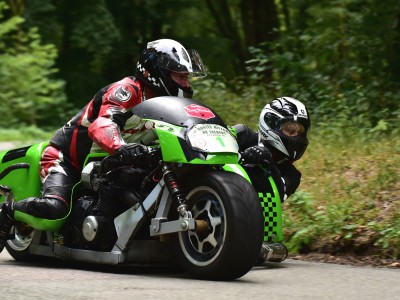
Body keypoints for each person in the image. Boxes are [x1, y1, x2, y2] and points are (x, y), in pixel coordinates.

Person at [0, 38, 207, 252]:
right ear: (156, 72)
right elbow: (103, 123)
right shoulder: (128, 91)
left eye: (186, 77)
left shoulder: (169, 105)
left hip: (108, 162)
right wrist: (120, 147)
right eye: (180, 76)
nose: (186, 84)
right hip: (68, 159)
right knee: (56, 209)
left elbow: (189, 128)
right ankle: (7, 212)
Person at [234, 96, 311, 202]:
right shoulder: (244, 135)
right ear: (270, 124)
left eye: (300, 132)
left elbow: (277, 196)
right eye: (290, 130)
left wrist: (268, 161)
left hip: (247, 212)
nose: (296, 138)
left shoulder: (293, 175)